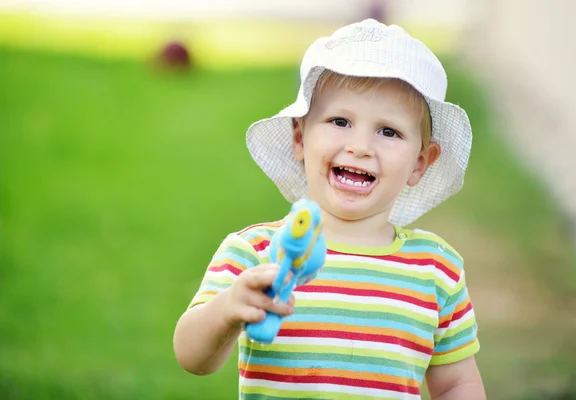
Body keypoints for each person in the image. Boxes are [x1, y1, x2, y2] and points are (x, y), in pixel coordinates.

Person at [173, 18, 486, 399]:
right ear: (300, 137)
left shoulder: (436, 270)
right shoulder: (257, 254)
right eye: (340, 121)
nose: (360, 146)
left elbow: (456, 384)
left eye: (388, 131)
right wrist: (228, 308)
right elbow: (192, 357)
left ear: (420, 162)